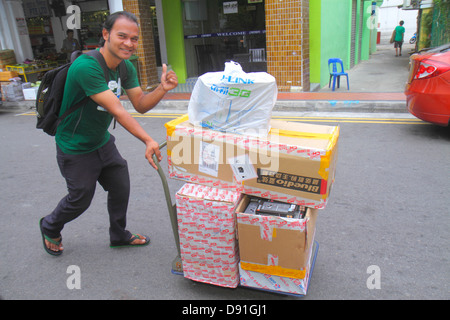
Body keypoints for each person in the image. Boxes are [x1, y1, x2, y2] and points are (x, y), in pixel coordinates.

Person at [39, 11, 178, 256]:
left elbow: (141, 105)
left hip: (101, 141)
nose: (128, 43)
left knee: (120, 185)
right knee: (80, 198)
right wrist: (147, 139)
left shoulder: (124, 68)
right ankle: (50, 224)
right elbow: (118, 111)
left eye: (134, 39)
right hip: (75, 146)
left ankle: (119, 235)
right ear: (105, 35)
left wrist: (162, 88)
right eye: (122, 36)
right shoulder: (86, 66)